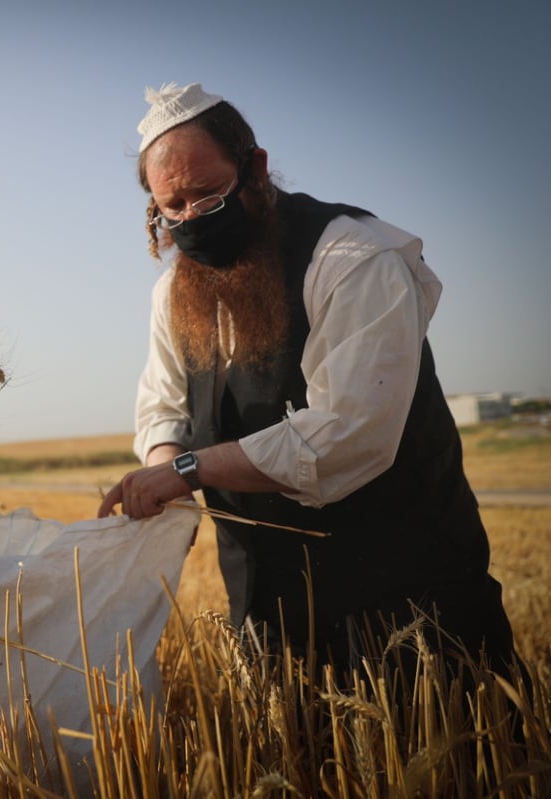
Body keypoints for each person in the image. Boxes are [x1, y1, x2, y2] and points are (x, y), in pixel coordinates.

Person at [98, 83, 517, 674]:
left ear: (256, 169)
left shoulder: (353, 257)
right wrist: (165, 470)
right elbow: (165, 404)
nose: (191, 218)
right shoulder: (173, 291)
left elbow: (348, 434)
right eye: (173, 207)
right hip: (265, 603)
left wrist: (188, 469)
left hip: (404, 597)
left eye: (209, 194)